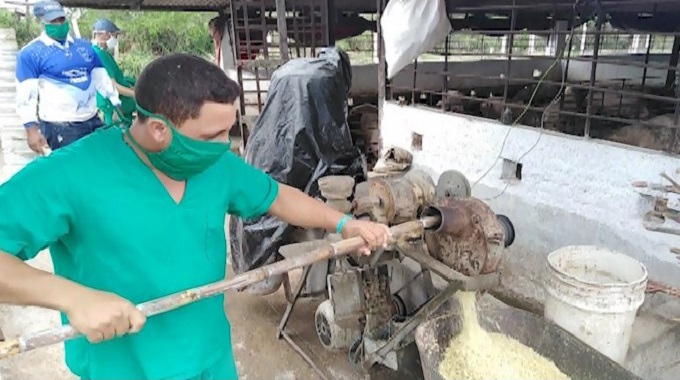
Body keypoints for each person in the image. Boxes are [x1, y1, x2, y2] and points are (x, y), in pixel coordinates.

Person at [0, 53, 391, 380]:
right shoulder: (70, 174)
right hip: (123, 367)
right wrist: (73, 298)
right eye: (210, 136)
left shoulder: (215, 165)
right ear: (157, 128)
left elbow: (277, 197)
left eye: (228, 132)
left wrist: (344, 224)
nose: (225, 146)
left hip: (209, 358)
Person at [15, 1, 121, 154]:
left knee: (97, 165)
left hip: (92, 120)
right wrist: (31, 129)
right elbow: (26, 95)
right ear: (40, 22)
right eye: (53, 21)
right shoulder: (30, 53)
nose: (59, 24)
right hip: (60, 126)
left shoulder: (84, 47)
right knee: (70, 171)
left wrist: (115, 101)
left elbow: (100, 77)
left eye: (61, 19)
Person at [91, 18, 137, 126]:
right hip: (112, 107)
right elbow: (112, 86)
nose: (115, 39)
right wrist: (135, 94)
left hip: (119, 105)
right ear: (104, 35)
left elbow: (117, 78)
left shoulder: (104, 54)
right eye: (114, 35)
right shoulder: (98, 54)